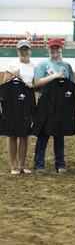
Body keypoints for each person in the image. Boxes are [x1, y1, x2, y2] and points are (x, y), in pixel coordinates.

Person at [33, 38, 75, 174]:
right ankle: (39, 164)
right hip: (46, 102)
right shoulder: (42, 65)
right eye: (52, 48)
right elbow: (37, 83)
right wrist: (54, 76)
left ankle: (60, 164)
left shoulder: (67, 66)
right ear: (48, 49)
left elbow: (72, 85)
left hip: (62, 104)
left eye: (57, 47)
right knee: (43, 134)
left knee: (59, 134)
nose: (55, 50)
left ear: (61, 49)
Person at [1, 40, 35, 174]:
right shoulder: (12, 64)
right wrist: (13, 76)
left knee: (24, 134)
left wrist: (32, 85)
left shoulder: (33, 66)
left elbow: (33, 84)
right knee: (12, 134)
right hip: (12, 102)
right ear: (17, 51)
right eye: (21, 49)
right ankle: (13, 166)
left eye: (26, 49)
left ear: (30, 51)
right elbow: (4, 84)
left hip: (25, 102)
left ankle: (22, 165)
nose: (24, 51)